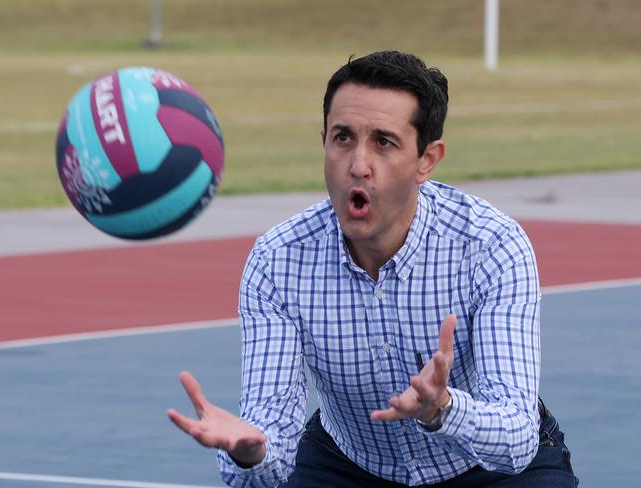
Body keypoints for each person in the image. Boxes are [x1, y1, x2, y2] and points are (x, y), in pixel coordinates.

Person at [167, 50, 578, 487]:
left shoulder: (491, 245)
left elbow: (515, 441)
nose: (358, 165)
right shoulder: (278, 261)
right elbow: (270, 454)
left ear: (427, 160)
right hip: (350, 464)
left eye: (383, 142)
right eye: (343, 138)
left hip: (483, 465)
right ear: (323, 141)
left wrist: (442, 409)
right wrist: (253, 452)